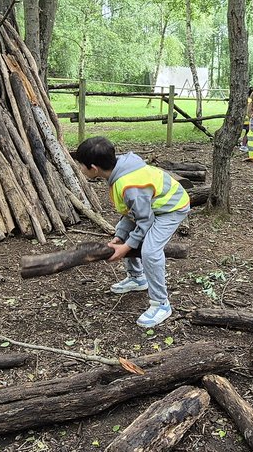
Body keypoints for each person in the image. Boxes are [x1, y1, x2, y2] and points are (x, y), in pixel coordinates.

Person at [71, 136, 190, 329]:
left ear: (94, 168)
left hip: (171, 208)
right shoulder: (119, 172)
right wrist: (120, 237)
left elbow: (144, 221)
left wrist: (126, 247)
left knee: (150, 251)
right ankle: (137, 278)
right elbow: (133, 213)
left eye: (81, 166)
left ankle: (161, 304)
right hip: (151, 208)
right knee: (124, 235)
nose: (80, 169)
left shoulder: (130, 186)